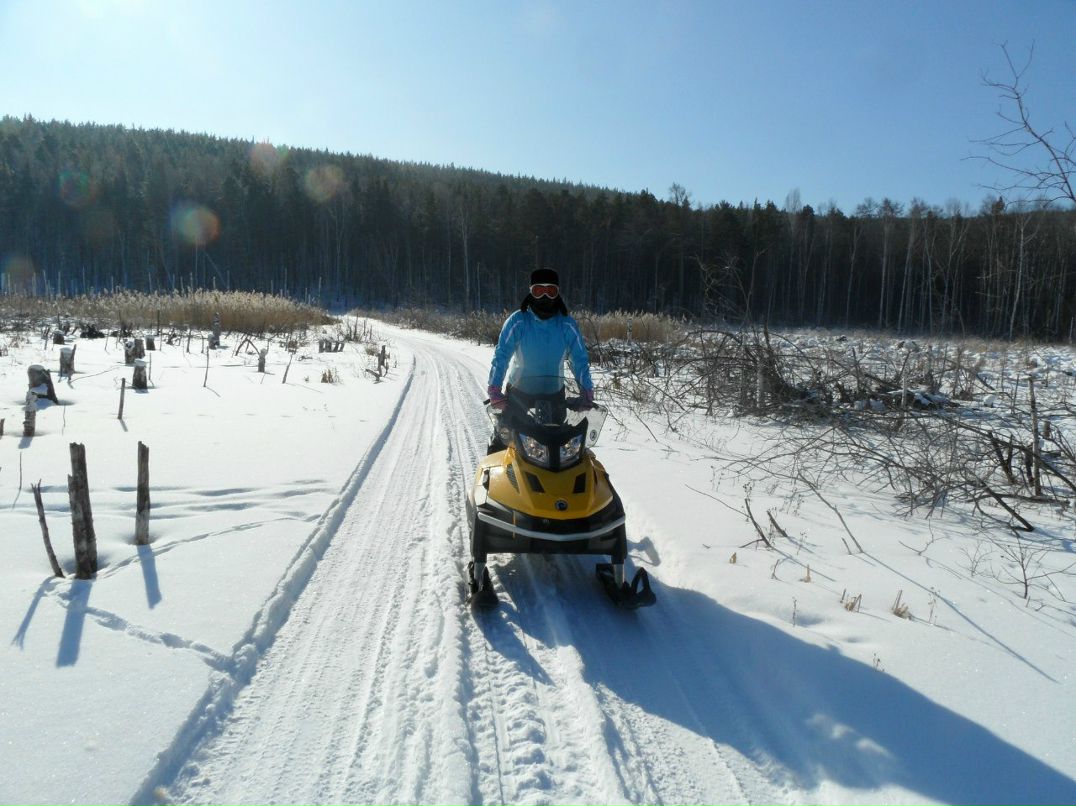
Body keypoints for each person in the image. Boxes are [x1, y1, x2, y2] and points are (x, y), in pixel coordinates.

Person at [486, 268, 594, 449]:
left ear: (557, 294)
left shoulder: (567, 324)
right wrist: (494, 388)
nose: (544, 296)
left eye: (550, 291)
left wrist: (587, 391)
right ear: (531, 292)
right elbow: (502, 355)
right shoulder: (518, 321)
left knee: (558, 447)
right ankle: (490, 475)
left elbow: (579, 360)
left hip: (554, 396)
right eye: (539, 291)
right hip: (519, 395)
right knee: (504, 442)